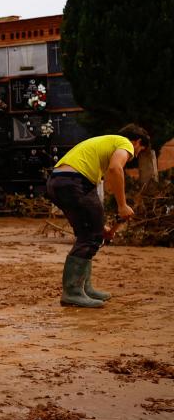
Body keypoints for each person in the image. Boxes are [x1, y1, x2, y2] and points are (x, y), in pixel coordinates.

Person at [46, 125, 152, 307]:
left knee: (90, 233)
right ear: (138, 142)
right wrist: (122, 205)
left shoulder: (104, 144)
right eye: (140, 150)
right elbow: (115, 169)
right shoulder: (125, 143)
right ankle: (72, 292)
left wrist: (100, 227)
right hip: (75, 181)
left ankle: (84, 287)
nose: (135, 155)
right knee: (90, 237)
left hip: (59, 181)